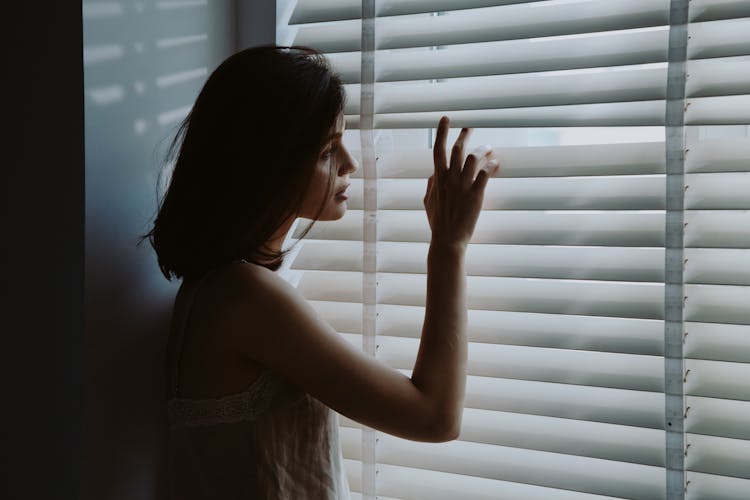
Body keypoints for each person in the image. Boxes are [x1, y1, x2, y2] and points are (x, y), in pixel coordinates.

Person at [139, 44, 500, 500]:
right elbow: (435, 417)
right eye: (329, 150)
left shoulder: (218, 289)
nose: (350, 164)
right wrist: (449, 245)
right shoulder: (245, 296)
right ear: (270, 162)